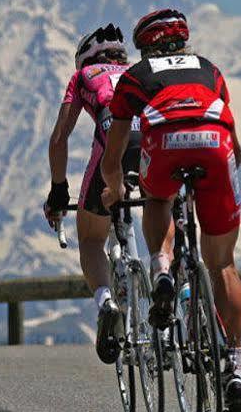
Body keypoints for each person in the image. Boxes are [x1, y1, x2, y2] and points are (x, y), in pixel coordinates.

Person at [100, 9, 241, 410]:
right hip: (215, 142)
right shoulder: (210, 70)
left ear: (144, 46)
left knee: (158, 197)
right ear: (185, 41)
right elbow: (235, 146)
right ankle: (235, 368)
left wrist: (113, 191)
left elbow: (113, 157)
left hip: (164, 143)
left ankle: (162, 268)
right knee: (223, 264)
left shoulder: (135, 76)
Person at [44, 23, 167, 365]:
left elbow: (59, 140)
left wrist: (58, 191)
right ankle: (167, 274)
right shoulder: (141, 70)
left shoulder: (84, 76)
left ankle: (106, 303)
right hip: (155, 146)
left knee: (92, 239)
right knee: (162, 207)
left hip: (113, 146)